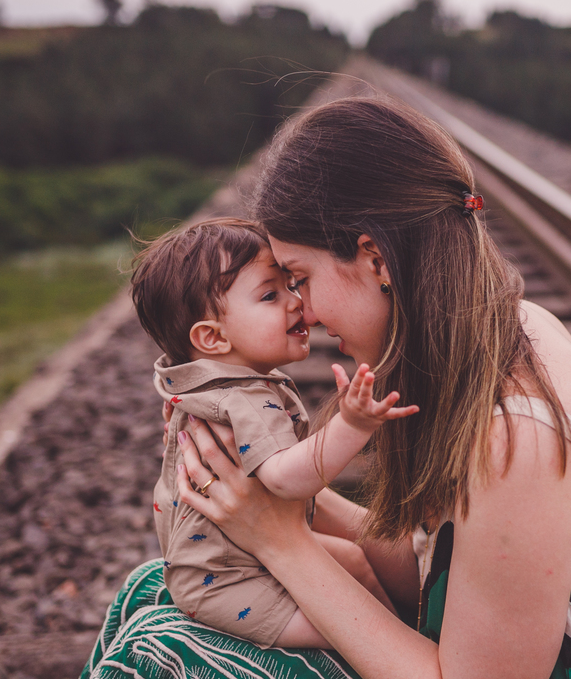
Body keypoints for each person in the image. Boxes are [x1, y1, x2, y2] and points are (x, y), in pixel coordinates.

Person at [45, 95, 571, 679]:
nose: (307, 313)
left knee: (186, 657)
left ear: (375, 256)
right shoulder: (509, 328)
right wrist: (258, 483)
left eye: (299, 278)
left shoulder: (517, 441)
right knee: (158, 592)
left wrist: (283, 542)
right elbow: (430, 578)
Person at [130, 217, 413, 649]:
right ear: (212, 337)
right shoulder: (241, 398)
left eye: (292, 284)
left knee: (353, 561)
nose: (297, 303)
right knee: (354, 635)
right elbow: (285, 477)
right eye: (270, 295)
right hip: (228, 583)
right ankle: (398, 665)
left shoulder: (212, 386)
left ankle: (406, 638)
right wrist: (352, 425)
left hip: (236, 560)